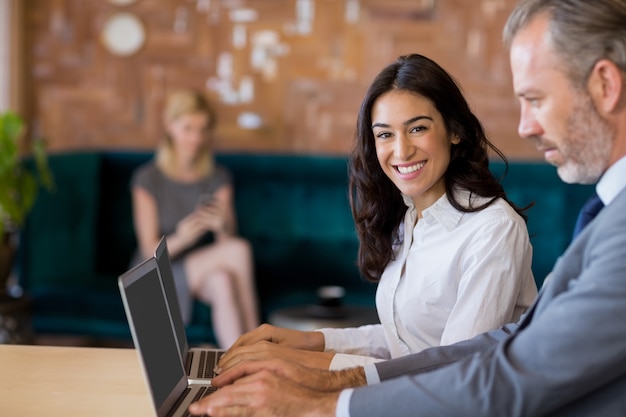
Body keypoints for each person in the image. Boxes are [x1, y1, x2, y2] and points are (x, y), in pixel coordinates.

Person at [188, 0, 626, 415]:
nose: (524, 126)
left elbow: (477, 376)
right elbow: (475, 345)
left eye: (535, 99)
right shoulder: (411, 219)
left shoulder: (507, 227)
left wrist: (317, 394)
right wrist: (308, 351)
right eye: (384, 135)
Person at [214, 53, 538, 373]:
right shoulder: (408, 219)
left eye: (417, 128)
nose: (401, 151)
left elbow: (453, 373)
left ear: (455, 131)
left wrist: (304, 365)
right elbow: (407, 339)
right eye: (385, 134)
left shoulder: (494, 230)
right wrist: (307, 341)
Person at [130, 88, 260, 349]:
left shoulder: (218, 178)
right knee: (240, 250)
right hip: (156, 270)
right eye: (188, 128)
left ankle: (236, 361)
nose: (196, 138)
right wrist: (183, 237)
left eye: (202, 129)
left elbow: (226, 242)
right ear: (170, 126)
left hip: (204, 269)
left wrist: (221, 226)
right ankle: (258, 346)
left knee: (223, 280)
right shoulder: (147, 179)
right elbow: (148, 250)